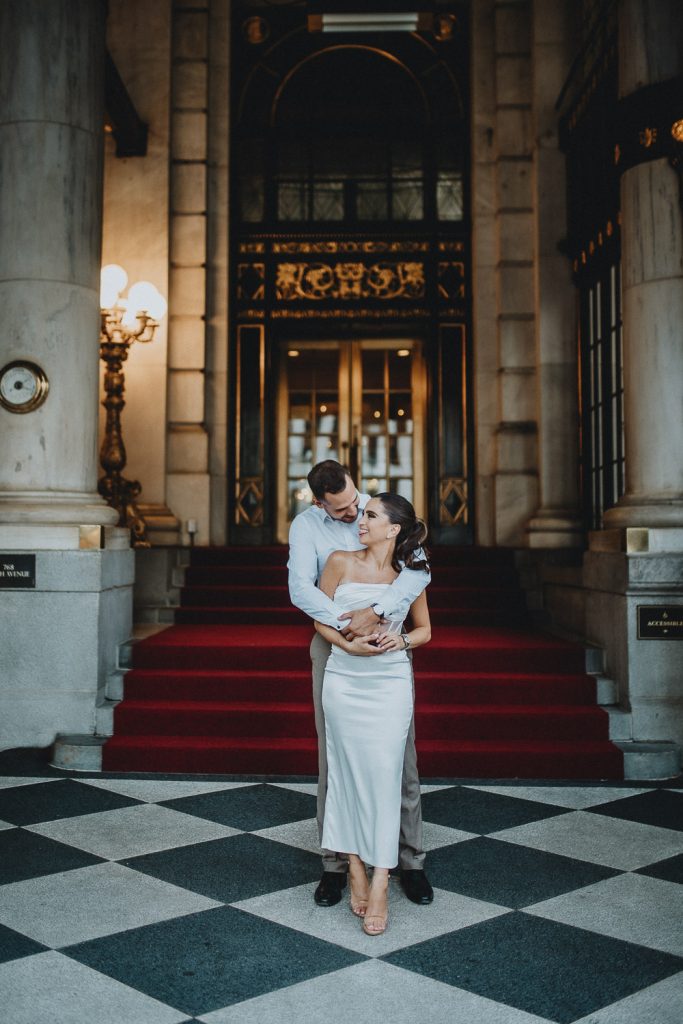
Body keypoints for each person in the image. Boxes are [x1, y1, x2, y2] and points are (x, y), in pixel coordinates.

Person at [288, 460, 433, 908]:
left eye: (357, 503)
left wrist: (379, 611)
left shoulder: (384, 515)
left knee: (401, 764)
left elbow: (419, 571)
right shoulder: (308, 529)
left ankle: (409, 862)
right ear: (319, 504)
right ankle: (336, 865)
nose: (354, 515)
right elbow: (300, 590)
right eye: (344, 511)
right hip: (336, 650)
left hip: (387, 660)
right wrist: (347, 634)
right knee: (334, 761)